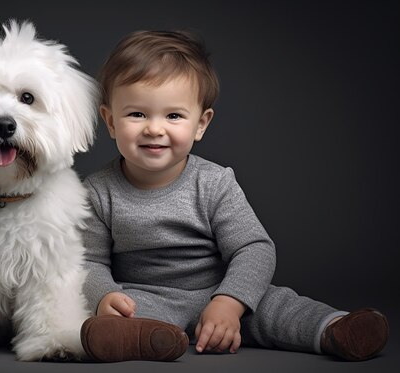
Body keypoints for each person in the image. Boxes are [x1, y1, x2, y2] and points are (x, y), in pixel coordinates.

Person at [78, 29, 389, 363]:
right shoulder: (98, 191)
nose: (155, 128)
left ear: (201, 124)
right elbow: (88, 261)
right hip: (146, 297)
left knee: (277, 307)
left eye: (174, 116)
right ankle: (144, 339)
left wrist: (229, 301)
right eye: (137, 114)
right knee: (119, 315)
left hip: (221, 290)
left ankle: (336, 330)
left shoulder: (214, 182)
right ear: (110, 121)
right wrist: (104, 295)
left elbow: (254, 248)